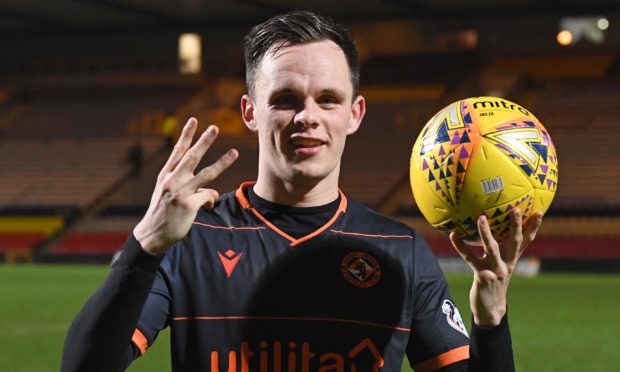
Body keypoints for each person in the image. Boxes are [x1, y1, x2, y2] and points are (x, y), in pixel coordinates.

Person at [61, 10, 542, 372]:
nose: (307, 116)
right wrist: (144, 245)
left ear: (354, 114)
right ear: (251, 112)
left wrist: (490, 317)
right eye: (286, 100)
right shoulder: (191, 239)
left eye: (328, 99)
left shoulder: (402, 252)